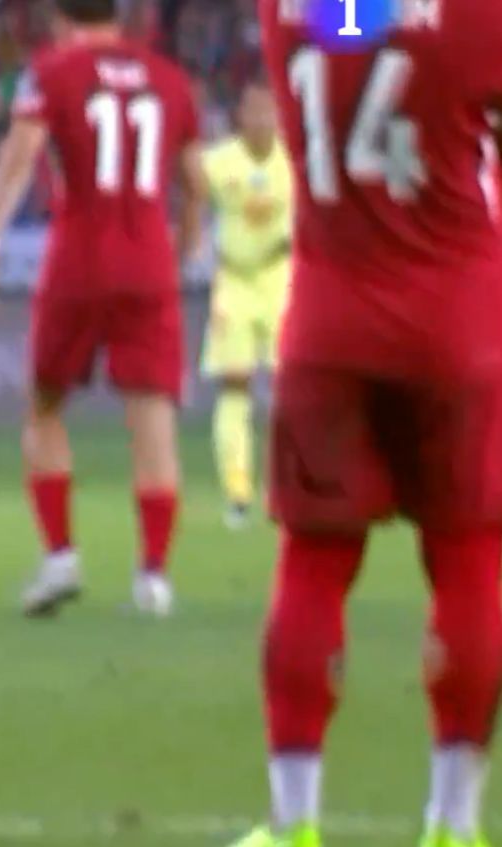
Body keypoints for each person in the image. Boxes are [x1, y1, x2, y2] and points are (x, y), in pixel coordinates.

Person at [208, 0, 502, 847]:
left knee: (313, 561)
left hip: (326, 327)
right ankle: (454, 828)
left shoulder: (291, 13)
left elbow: (363, 25)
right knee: (468, 557)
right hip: (457, 328)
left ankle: (292, 824)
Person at [0, 0, 206, 619]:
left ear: (60, 19)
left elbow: (21, 155)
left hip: (80, 258)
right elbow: (196, 182)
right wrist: (185, 244)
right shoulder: (170, 78)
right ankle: (153, 577)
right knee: (152, 420)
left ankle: (61, 557)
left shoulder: (54, 71)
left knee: (45, 405)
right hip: (149, 260)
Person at [201, 82, 294, 531]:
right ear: (239, 116)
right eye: (253, 111)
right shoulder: (218, 162)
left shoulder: (293, 161)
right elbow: (188, 189)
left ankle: (285, 486)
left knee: (289, 386)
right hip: (233, 280)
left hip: (280, 276)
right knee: (234, 384)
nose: (260, 120)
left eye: (268, 112)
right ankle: (237, 490)